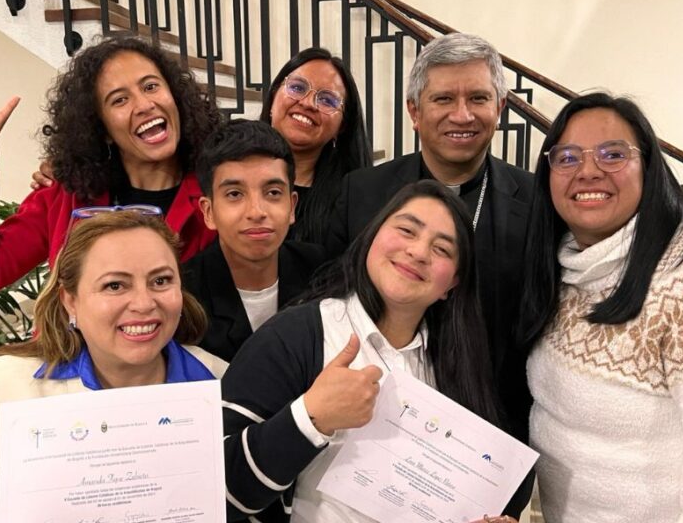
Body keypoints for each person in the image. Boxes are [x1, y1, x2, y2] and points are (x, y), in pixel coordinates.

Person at [222, 180, 528, 522]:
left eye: (442, 249)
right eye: (406, 230)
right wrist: (310, 418)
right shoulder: (294, 337)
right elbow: (216, 492)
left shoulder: (457, 367)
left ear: (452, 284)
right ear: (373, 236)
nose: (418, 252)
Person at [326, 32, 534, 451]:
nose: (462, 115)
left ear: (500, 107)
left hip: (493, 425)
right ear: (414, 111)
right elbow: (331, 303)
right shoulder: (362, 193)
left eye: (478, 98)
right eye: (443, 99)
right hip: (374, 421)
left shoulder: (537, 204)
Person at [0, 210, 226, 522]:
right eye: (115, 286)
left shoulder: (220, 382)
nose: (144, 303)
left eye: (160, 281)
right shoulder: (0, 388)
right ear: (70, 300)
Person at [517, 92, 683, 521]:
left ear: (649, 167)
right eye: (567, 158)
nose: (588, 171)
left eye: (612, 155)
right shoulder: (564, 262)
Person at [0, 36, 222, 297]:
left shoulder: (218, 193)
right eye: (119, 100)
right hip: (73, 347)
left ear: (175, 97)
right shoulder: (66, 196)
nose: (144, 105)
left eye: (151, 86)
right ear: (101, 129)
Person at [183, 120, 325, 362]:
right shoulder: (184, 295)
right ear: (208, 212)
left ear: (291, 207)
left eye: (272, 193)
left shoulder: (322, 270)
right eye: (235, 194)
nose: (256, 211)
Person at [259, 47, 372, 244]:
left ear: (342, 126)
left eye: (327, 100)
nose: (308, 103)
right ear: (274, 96)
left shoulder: (352, 201)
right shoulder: (231, 167)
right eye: (297, 87)